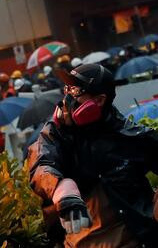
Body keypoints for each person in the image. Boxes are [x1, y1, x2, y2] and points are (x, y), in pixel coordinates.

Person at [28, 64, 158, 246]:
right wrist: (62, 190)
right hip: (80, 242)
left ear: (99, 100)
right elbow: (41, 163)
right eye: (67, 88)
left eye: (76, 90)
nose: (68, 97)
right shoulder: (57, 133)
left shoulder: (127, 135)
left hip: (132, 239)